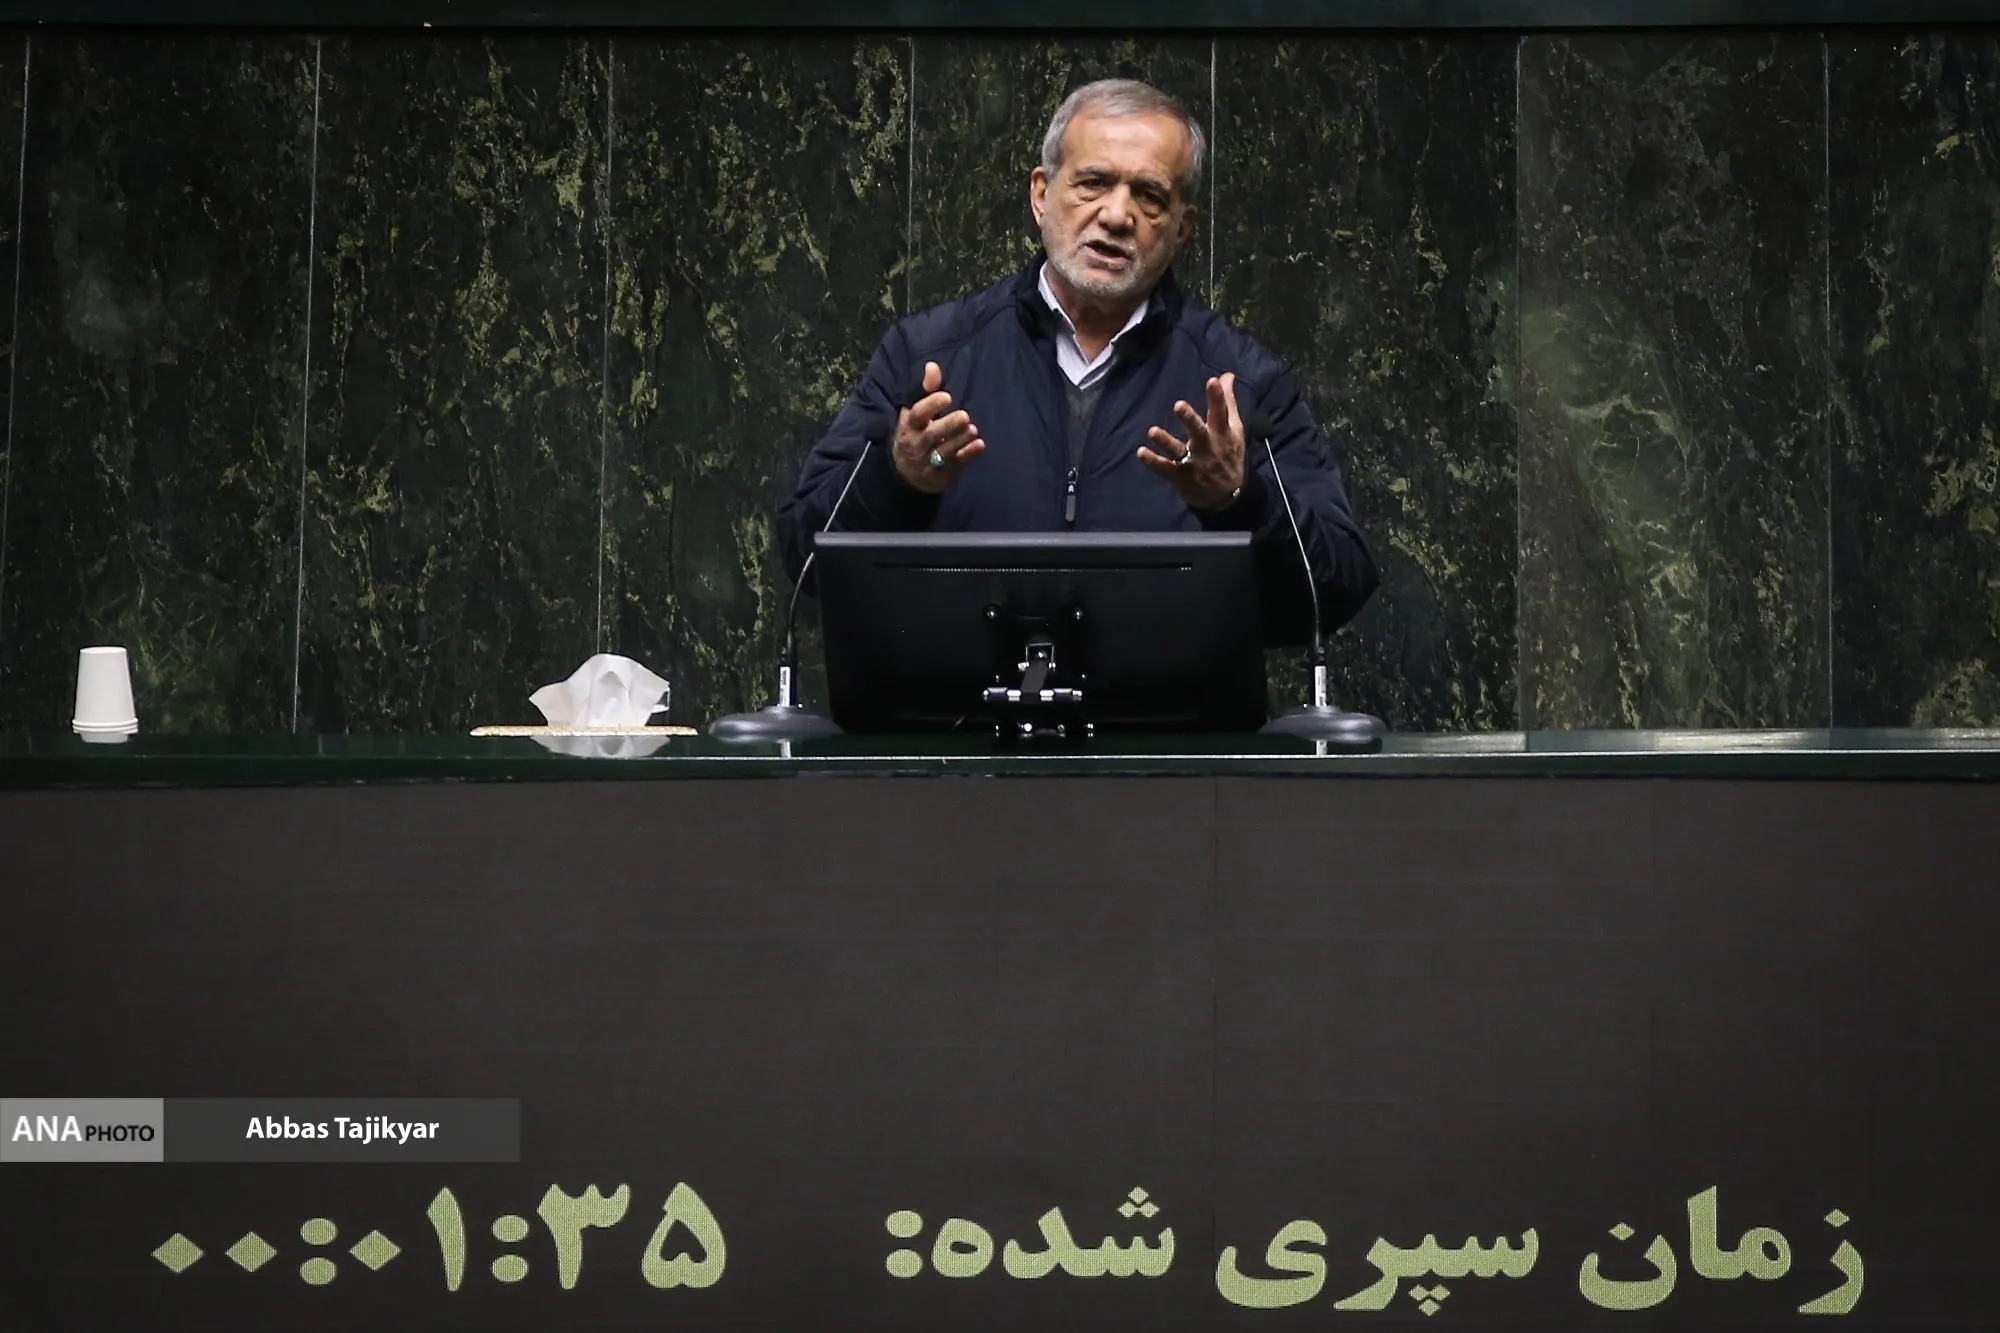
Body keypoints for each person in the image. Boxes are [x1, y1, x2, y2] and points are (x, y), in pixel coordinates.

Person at [777, 78, 1378, 645]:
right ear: (1042, 194)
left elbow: (1337, 591)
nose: (1117, 216)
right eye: (1093, 183)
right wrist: (896, 480)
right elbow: (805, 557)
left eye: (1149, 196)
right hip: (964, 718)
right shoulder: (929, 356)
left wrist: (1237, 499)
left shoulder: (1241, 383)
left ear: (1182, 228)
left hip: (1164, 719)